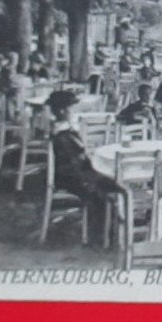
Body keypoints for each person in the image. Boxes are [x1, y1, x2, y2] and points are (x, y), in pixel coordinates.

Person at [47, 91, 124, 244]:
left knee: (112, 183)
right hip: (69, 177)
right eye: (71, 109)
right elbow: (71, 163)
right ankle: (102, 235)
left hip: (77, 172)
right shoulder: (61, 134)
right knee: (101, 189)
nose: (74, 112)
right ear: (62, 111)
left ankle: (112, 228)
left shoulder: (65, 129)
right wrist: (89, 166)